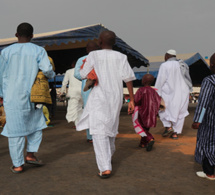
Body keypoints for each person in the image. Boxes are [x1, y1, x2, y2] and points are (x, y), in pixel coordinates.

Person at [76, 30, 136, 178]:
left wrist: (86, 66)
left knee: (98, 131)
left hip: (99, 97)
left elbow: (83, 74)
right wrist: (132, 100)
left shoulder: (93, 55)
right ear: (114, 42)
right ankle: (107, 158)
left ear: (100, 42)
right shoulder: (121, 57)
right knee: (110, 127)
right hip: (115, 98)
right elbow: (128, 78)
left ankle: (105, 168)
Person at [0, 23, 55, 173]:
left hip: (12, 97)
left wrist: (1, 95)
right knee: (36, 124)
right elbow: (48, 69)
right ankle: (30, 154)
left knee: (15, 130)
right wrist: (51, 75)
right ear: (32, 36)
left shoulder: (6, 52)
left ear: (16, 35)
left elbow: (0, 74)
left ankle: (18, 165)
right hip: (33, 95)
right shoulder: (38, 50)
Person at [155, 49, 192, 139]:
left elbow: (160, 80)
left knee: (162, 109)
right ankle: (175, 133)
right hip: (183, 93)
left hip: (169, 93)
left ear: (167, 56)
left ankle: (168, 127)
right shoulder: (183, 64)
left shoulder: (165, 65)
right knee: (180, 113)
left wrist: (156, 92)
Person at [192, 53, 215, 180]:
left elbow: (204, 103)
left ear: (212, 65)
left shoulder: (210, 80)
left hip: (211, 121)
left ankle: (210, 173)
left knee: (208, 144)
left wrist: (197, 120)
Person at [74, 41, 99, 142]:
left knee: (92, 112)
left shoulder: (83, 59)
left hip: (93, 89)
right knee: (94, 112)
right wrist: (91, 77)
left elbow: (77, 74)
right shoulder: (83, 60)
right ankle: (93, 136)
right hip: (92, 89)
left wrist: (87, 77)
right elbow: (77, 74)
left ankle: (93, 136)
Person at [133, 74, 161, 151]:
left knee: (141, 126)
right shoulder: (154, 91)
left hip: (142, 111)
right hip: (151, 112)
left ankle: (150, 138)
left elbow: (136, 100)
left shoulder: (141, 90)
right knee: (146, 128)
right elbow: (158, 101)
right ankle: (143, 143)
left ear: (144, 81)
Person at [60, 61, 83, 127]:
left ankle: (76, 123)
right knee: (80, 108)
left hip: (73, 92)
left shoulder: (69, 71)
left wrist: (62, 92)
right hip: (82, 91)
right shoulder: (83, 71)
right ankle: (80, 123)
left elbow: (64, 82)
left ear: (72, 65)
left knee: (73, 107)